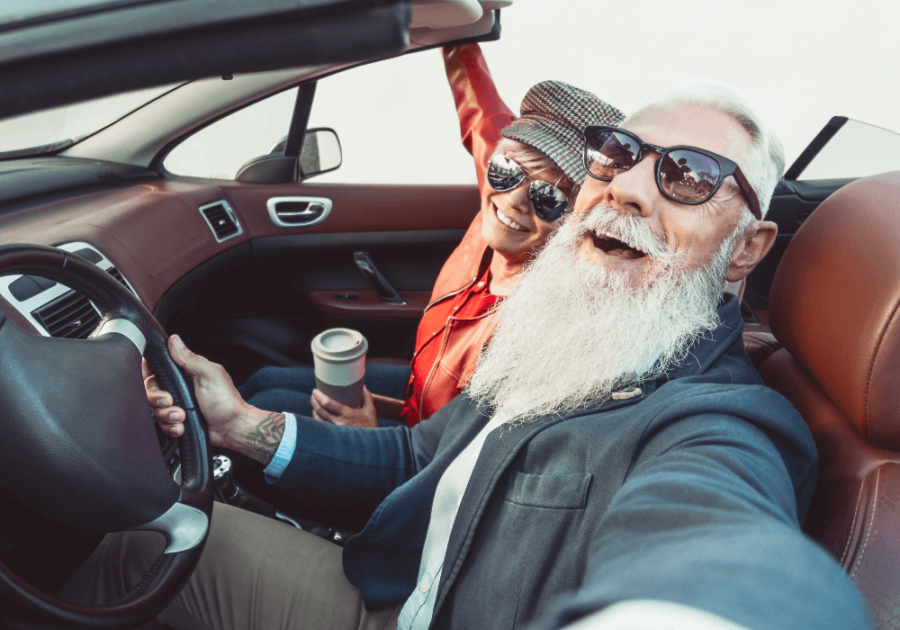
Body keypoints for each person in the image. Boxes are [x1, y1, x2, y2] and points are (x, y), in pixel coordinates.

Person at [67, 79, 872, 630]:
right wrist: (243, 426)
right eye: (616, 153)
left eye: (690, 177)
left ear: (746, 249)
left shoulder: (721, 421)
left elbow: (713, 541)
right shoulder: (565, 336)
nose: (629, 187)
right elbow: (423, 454)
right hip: (395, 586)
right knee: (143, 540)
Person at [237, 44, 625, 430]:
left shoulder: (543, 328)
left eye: (549, 197)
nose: (513, 200)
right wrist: (460, 34)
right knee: (264, 380)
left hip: (429, 453)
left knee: (267, 404)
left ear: (580, 221)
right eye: (506, 169)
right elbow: (479, 108)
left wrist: (368, 432)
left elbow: (458, 458)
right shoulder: (499, 196)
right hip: (421, 393)